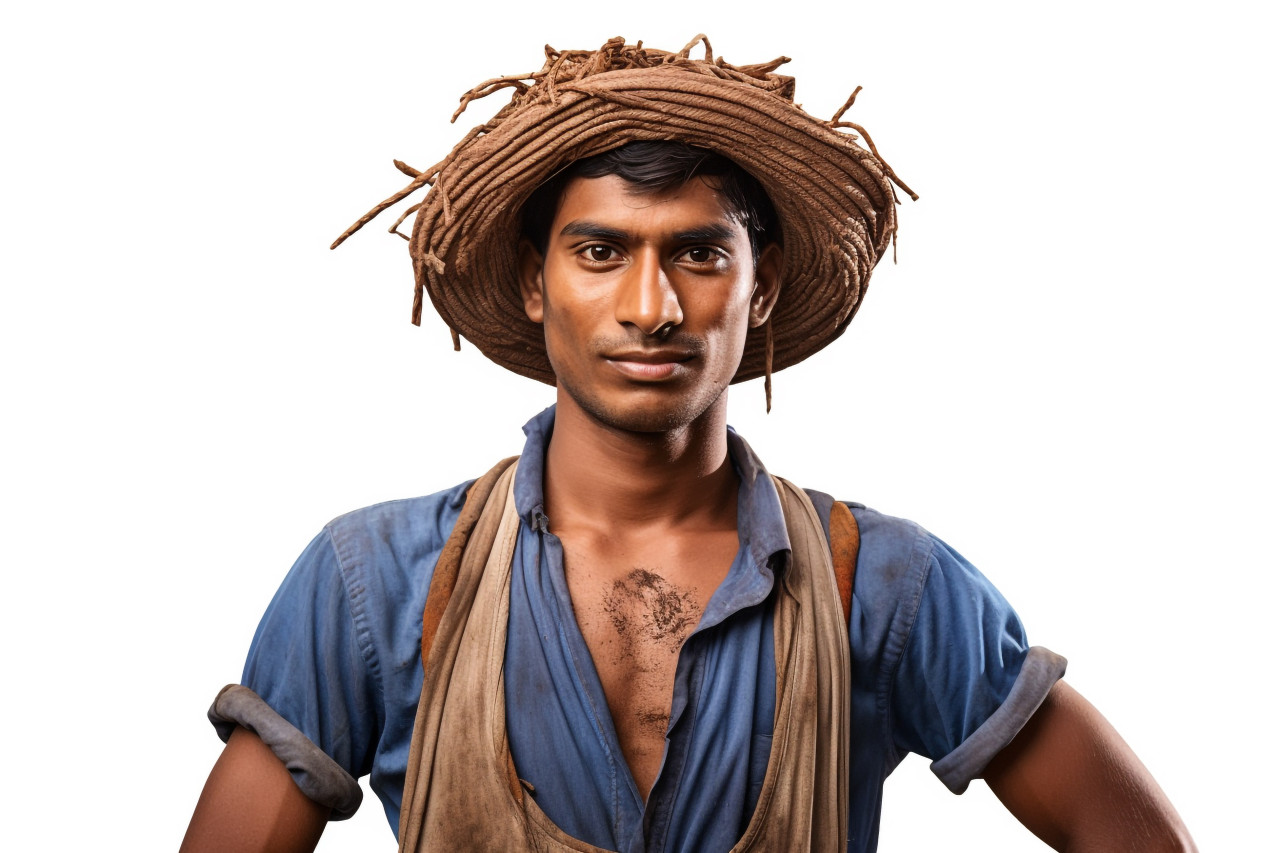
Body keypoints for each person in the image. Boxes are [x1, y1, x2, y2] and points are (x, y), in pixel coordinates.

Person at [181, 36, 1195, 852]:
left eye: (700, 254)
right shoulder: (377, 585)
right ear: (537, 284)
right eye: (600, 251)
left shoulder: (881, 586)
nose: (651, 307)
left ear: (760, 291)